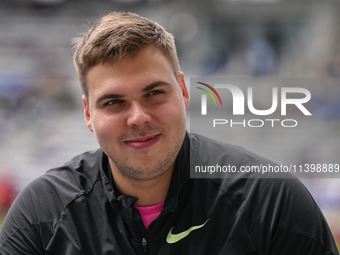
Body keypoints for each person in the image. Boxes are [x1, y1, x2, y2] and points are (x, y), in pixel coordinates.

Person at [0, 12, 338, 255]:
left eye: (154, 93)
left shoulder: (271, 202)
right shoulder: (41, 214)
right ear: (89, 114)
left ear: (184, 93)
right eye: (114, 102)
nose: (138, 118)